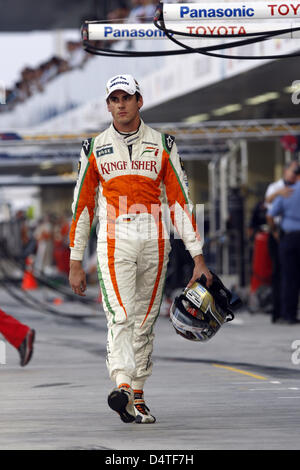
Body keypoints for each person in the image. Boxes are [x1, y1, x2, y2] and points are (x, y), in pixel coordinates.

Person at [69, 73, 212, 424]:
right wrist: (75, 260)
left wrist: (198, 258)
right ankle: (121, 385)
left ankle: (138, 394)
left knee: (145, 321)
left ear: (139, 101)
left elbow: (180, 202)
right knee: (120, 314)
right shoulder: (93, 148)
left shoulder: (164, 144)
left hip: (155, 238)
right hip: (114, 237)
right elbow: (83, 208)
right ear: (108, 105)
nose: (120, 105)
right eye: (114, 99)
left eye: (126, 98)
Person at [264, 160, 299, 323]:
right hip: (284, 235)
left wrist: (275, 231)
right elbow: (268, 201)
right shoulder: (278, 188)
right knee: (282, 274)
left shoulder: (289, 192)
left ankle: (288, 313)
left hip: (287, 236)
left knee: (287, 276)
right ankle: (282, 312)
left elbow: (269, 214)